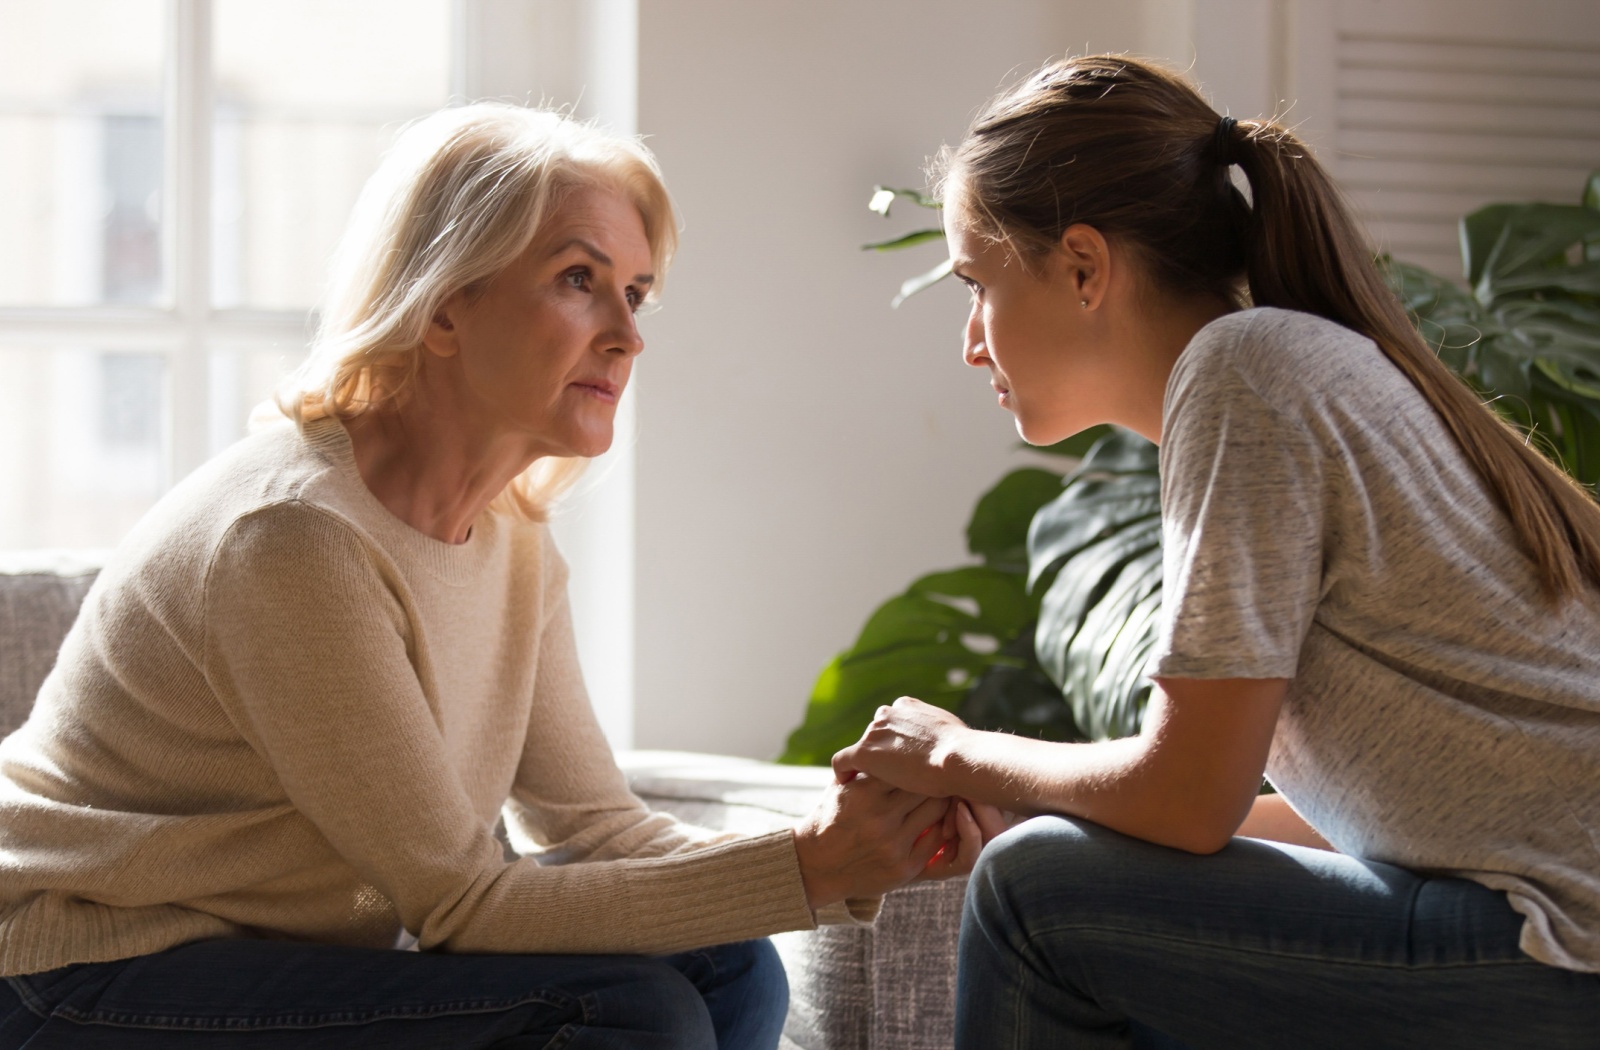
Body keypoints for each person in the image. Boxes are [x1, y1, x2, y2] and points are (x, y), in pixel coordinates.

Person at [0, 104, 992, 1050]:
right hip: (76, 977)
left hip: (270, 961)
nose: (627, 333)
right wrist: (809, 869)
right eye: (577, 279)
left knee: (726, 970)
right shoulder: (294, 540)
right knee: (629, 1014)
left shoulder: (511, 541)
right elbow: (461, 905)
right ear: (443, 307)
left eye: (636, 293)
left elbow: (593, 828)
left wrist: (835, 844)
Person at [833, 55, 1600, 1048]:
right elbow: (1337, 820)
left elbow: (1188, 798)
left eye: (976, 284)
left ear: (1081, 267)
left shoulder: (1244, 377)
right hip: (1547, 931)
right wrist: (1025, 802)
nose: (971, 343)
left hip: (1557, 949)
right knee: (1055, 867)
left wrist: (953, 751)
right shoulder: (1281, 367)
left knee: (1035, 901)